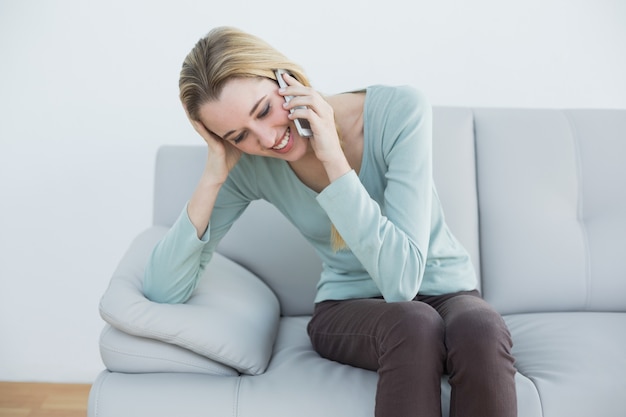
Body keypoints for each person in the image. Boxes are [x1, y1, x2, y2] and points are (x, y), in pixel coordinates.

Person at [143, 26, 517, 417]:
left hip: (447, 289)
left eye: (265, 110)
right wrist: (213, 176)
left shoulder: (399, 111)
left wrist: (333, 160)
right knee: (415, 323)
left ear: (284, 78)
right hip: (347, 306)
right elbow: (162, 288)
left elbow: (403, 278)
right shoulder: (250, 166)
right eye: (239, 136)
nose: (267, 140)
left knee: (481, 330)